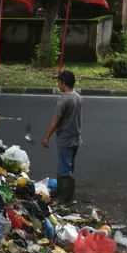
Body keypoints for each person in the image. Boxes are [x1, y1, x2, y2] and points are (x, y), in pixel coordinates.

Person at [43, 69, 82, 201]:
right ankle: (61, 191)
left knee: (64, 168)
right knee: (69, 166)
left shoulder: (63, 100)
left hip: (65, 138)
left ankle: (65, 197)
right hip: (76, 137)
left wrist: (47, 136)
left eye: (59, 82)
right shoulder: (78, 97)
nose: (58, 84)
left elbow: (56, 120)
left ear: (63, 83)